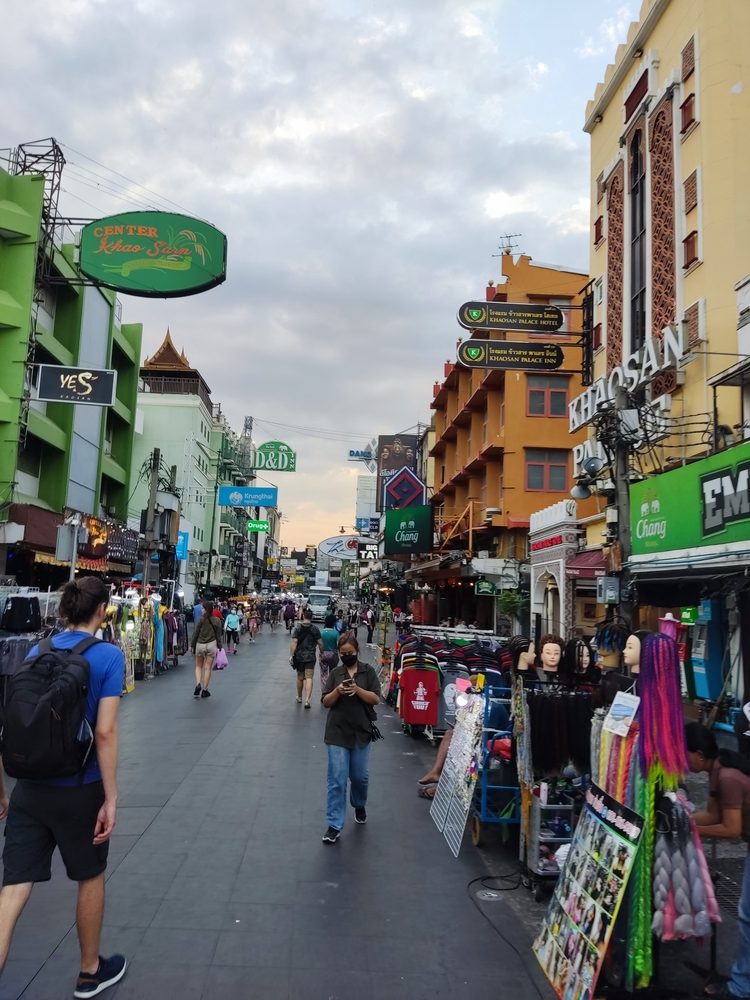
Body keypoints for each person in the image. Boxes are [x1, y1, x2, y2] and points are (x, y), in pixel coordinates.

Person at [0, 577, 127, 997]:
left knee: (14, 887)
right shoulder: (108, 657)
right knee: (89, 876)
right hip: (79, 788)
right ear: (102, 611)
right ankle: (89, 971)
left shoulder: (38, 651)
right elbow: (105, 733)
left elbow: (12, 720)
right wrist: (110, 797)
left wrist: (3, 790)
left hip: (30, 788)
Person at [686, 722, 750, 1000]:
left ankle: (741, 988)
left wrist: (691, 830)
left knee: (747, 916)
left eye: (685, 753)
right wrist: (681, 817)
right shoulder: (716, 769)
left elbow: (731, 829)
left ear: (699, 754)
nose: (682, 760)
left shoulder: (727, 777)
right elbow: (712, 816)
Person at [320, 635, 382, 843]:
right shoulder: (336, 673)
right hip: (337, 732)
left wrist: (357, 690)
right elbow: (325, 701)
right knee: (336, 779)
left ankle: (359, 803)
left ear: (357, 651)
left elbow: (375, 698)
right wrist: (338, 691)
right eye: (343, 653)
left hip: (361, 732)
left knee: (359, 777)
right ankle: (334, 824)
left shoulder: (368, 671)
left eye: (350, 653)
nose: (346, 656)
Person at [290, 608, 323, 709]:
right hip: (310, 657)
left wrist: (291, 655)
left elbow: (294, 642)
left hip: (299, 657)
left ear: (303, 616)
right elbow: (320, 643)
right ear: (311, 617)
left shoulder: (298, 628)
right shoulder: (315, 629)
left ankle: (299, 697)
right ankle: (307, 700)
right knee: (309, 678)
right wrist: (322, 652)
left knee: (300, 677)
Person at [191, 599, 223, 698]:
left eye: (202, 609)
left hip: (200, 644)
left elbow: (196, 634)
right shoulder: (217, 620)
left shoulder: (201, 620)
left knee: (198, 666)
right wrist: (220, 646)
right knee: (208, 667)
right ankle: (205, 689)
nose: (201, 610)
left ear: (205, 609)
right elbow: (219, 635)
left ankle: (198, 684)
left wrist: (192, 645)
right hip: (211, 644)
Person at [319, 613, 341, 691]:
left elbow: (319, 644)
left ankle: (325, 690)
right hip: (333, 654)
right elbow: (339, 644)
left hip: (323, 654)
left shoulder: (321, 632)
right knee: (333, 672)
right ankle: (332, 689)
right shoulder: (336, 633)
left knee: (324, 673)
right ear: (334, 623)